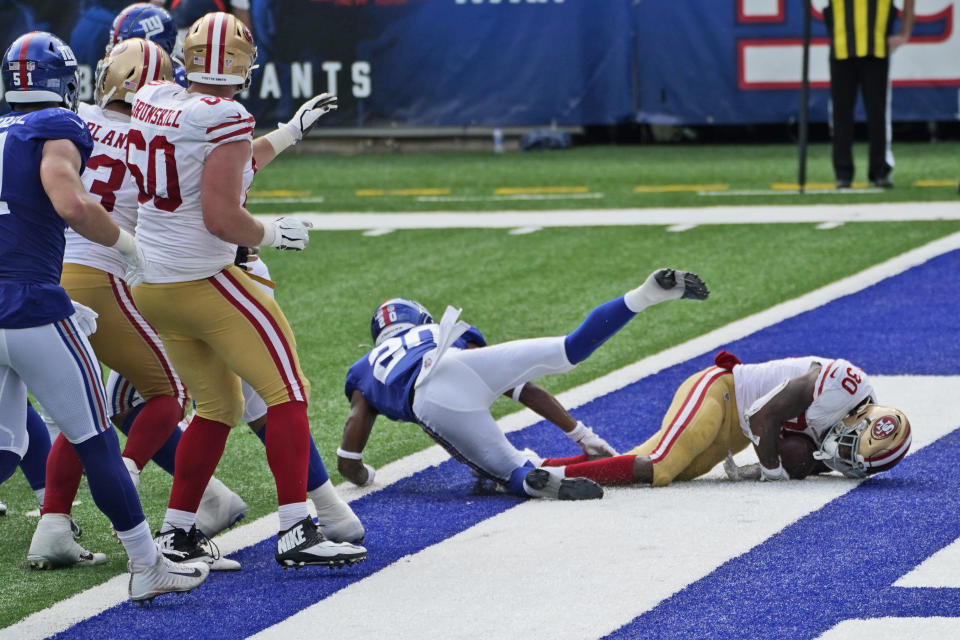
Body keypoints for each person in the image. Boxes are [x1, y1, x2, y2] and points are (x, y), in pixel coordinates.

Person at [126, 11, 363, 570]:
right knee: (288, 392)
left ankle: (177, 532)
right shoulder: (227, 116)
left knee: (217, 407)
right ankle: (296, 528)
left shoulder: (156, 97)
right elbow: (222, 216)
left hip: (152, 285)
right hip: (202, 280)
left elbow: (216, 168)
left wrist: (287, 133)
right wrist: (275, 232)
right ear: (240, 63)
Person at [0, 30, 207, 602]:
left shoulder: (2, 130)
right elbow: (70, 203)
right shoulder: (57, 126)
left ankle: (59, 525)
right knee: (95, 437)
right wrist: (127, 245)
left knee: (5, 448)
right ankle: (148, 565)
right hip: (38, 308)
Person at [337, 269, 709, 500]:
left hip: (429, 397)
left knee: (513, 474)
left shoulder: (364, 369)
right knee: (570, 346)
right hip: (461, 361)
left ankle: (536, 479)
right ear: (420, 318)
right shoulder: (434, 330)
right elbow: (521, 389)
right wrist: (580, 433)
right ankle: (642, 296)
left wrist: (362, 474)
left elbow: (351, 448)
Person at [103, 247, 365, 544]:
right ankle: (326, 509)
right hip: (203, 276)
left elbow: (213, 216)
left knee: (254, 398)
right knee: (246, 401)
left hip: (196, 279)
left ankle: (287, 521)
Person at [547, 352, 912, 487]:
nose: (841, 456)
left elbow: (798, 453)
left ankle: (540, 467)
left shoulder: (850, 416)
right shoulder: (838, 388)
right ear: (859, 420)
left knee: (662, 465)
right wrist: (771, 470)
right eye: (849, 448)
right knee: (660, 468)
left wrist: (795, 464)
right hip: (721, 392)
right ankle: (552, 479)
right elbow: (762, 416)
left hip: (736, 431)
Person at [826, 0, 915, 189]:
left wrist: (905, 32)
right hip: (841, 48)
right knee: (841, 114)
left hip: (876, 49)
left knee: (878, 114)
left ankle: (880, 170)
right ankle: (843, 173)